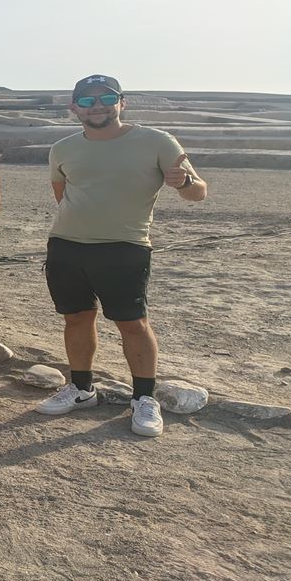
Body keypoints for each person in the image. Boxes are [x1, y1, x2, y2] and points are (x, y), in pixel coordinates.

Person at [35, 75, 207, 437]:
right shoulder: (63, 148)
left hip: (125, 247)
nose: (97, 105)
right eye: (86, 100)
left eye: (106, 97)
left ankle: (144, 399)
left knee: (132, 323)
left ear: (121, 102)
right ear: (73, 107)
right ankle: (82, 389)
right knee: (76, 319)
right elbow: (62, 195)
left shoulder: (157, 141)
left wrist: (185, 183)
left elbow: (198, 193)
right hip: (66, 246)